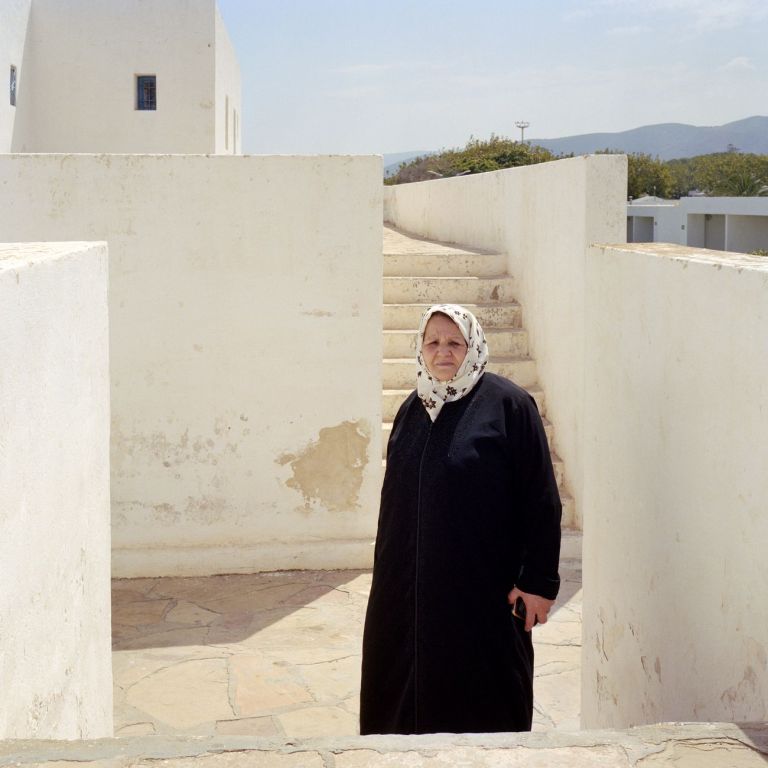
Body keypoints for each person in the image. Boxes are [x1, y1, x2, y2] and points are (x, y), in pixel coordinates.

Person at [360, 303, 561, 735]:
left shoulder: (509, 406)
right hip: (404, 597)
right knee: (401, 710)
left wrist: (539, 583)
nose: (443, 351)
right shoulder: (414, 408)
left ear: (473, 346)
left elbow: (541, 500)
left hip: (480, 598)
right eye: (432, 341)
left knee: (480, 707)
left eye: (455, 341)